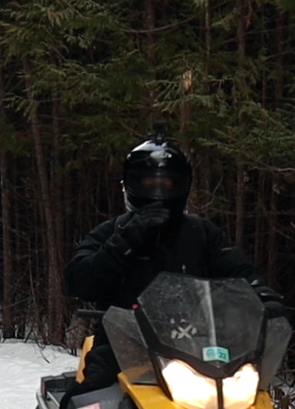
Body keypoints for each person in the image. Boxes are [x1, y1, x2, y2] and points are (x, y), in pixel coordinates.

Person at [64, 132, 283, 391]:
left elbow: (239, 270)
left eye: (168, 184)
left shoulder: (201, 234)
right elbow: (78, 280)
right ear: (130, 184)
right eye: (148, 182)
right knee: (88, 402)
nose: (158, 191)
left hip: (197, 350)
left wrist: (261, 295)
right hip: (123, 348)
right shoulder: (111, 233)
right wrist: (123, 243)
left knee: (250, 404)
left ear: (182, 186)